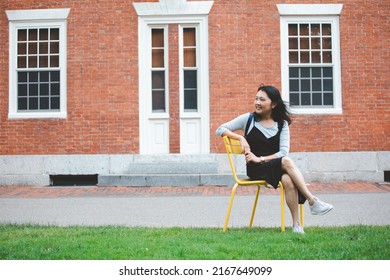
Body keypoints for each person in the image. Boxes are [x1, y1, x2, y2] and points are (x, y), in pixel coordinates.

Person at [216, 85, 333, 234]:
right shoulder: (249, 119)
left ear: (273, 104)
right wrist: (240, 138)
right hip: (255, 169)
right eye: (256, 98)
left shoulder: (282, 124)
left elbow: (283, 151)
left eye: (262, 99)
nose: (257, 102)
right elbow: (220, 129)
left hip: (272, 165)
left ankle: (296, 225)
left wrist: (261, 158)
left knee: (288, 180)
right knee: (287, 161)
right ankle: (312, 200)